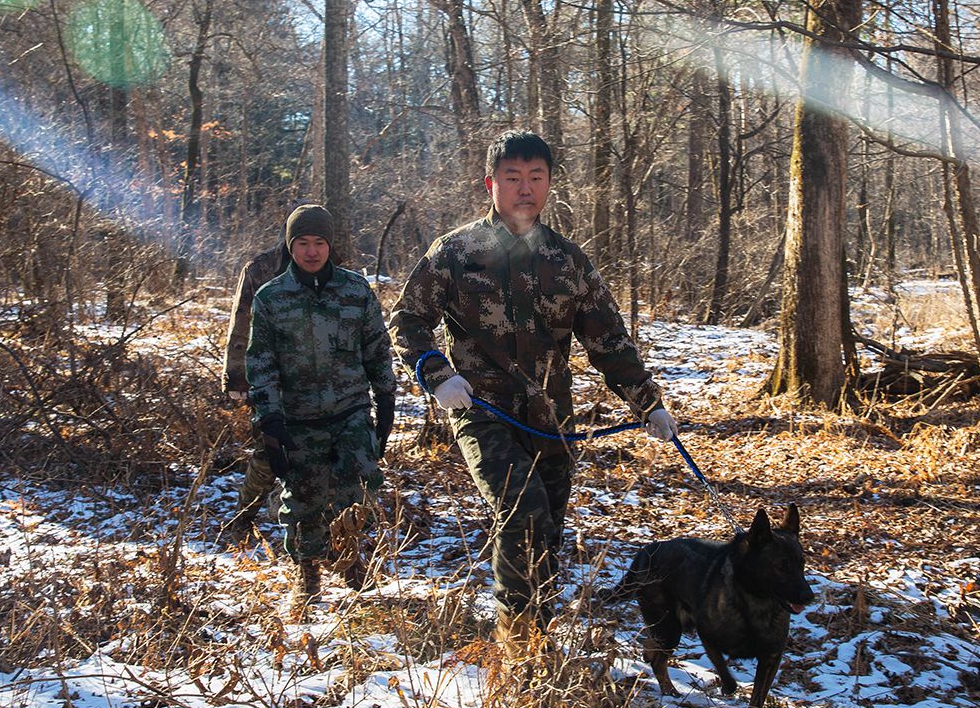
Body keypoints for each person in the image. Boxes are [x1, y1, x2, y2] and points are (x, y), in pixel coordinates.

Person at [388, 130, 678, 655]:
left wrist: (648, 403)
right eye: (513, 178)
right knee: (522, 512)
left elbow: (608, 340)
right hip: (481, 410)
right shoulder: (455, 252)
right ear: (490, 184)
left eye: (536, 178)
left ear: (549, 184)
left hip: (552, 419)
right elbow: (407, 320)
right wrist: (436, 373)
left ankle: (538, 636)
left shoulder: (568, 260)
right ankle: (515, 640)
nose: (525, 189)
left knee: (548, 528)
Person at [246, 204, 397, 605]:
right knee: (304, 497)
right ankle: (308, 570)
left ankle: (349, 559)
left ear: (330, 245)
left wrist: (385, 399)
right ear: (290, 246)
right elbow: (260, 364)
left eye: (319, 243)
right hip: (297, 417)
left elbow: (377, 349)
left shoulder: (355, 291)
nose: (311, 252)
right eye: (302, 243)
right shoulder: (271, 298)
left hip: (349, 409)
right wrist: (270, 419)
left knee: (358, 484)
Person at [221, 238, 291, 542]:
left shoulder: (330, 262)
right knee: (268, 450)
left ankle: (292, 509)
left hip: (317, 376)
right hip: (267, 374)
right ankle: (243, 517)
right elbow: (241, 323)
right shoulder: (261, 269)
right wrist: (237, 379)